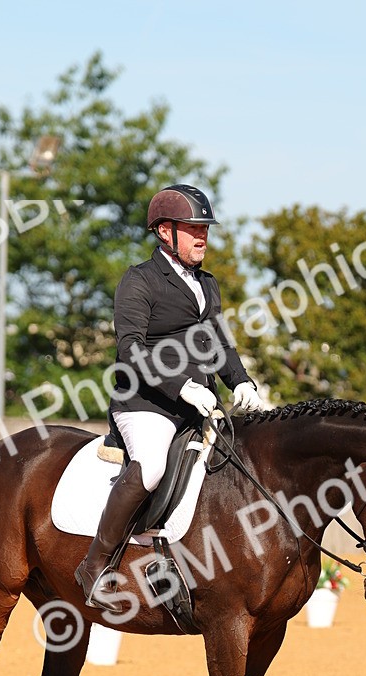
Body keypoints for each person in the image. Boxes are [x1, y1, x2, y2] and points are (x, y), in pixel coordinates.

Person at [74, 183, 270, 614]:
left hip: (199, 404)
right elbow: (130, 349)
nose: (203, 236)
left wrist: (241, 382)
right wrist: (180, 385)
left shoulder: (207, 284)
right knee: (151, 467)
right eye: (194, 228)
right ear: (165, 232)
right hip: (145, 402)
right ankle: (95, 566)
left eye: (205, 229)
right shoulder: (139, 279)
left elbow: (219, 344)